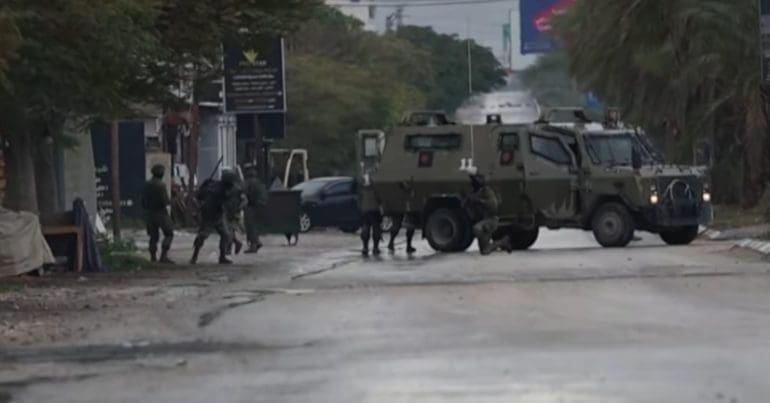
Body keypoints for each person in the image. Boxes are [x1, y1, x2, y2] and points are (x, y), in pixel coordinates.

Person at [190, 169, 237, 265]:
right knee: (203, 235)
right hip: (210, 214)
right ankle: (194, 256)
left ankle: (222, 257)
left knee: (225, 235)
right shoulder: (220, 190)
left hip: (217, 214)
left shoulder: (213, 185)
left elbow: (200, 195)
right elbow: (200, 196)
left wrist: (205, 184)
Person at [464, 173, 511, 255]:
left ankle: (502, 242)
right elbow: (469, 210)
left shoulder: (486, 191)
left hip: (491, 220)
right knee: (484, 251)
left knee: (477, 228)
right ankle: (502, 242)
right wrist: (468, 202)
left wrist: (478, 201)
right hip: (482, 221)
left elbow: (493, 206)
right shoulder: (473, 193)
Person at [142, 164, 174, 264]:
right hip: (160, 212)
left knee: (153, 236)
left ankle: (153, 257)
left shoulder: (147, 184)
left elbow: (143, 200)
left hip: (149, 213)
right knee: (169, 233)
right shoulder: (161, 185)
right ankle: (163, 256)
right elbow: (165, 201)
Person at [387, 180, 418, 255]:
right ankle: (408, 246)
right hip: (404, 206)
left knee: (397, 225)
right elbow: (409, 192)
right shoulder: (404, 182)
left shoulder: (394, 183)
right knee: (409, 226)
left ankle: (391, 243)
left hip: (396, 206)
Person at [243, 168, 268, 253]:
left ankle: (254, 244)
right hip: (262, 206)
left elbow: (244, 192)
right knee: (254, 226)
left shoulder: (249, 182)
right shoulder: (259, 183)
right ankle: (257, 242)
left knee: (250, 226)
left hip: (252, 206)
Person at [359, 173, 382, 256]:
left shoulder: (360, 189)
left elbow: (358, 200)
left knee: (365, 228)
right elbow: (380, 199)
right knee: (376, 229)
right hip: (374, 210)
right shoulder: (376, 188)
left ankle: (365, 247)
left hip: (364, 210)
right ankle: (375, 248)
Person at [224, 176, 247, 255]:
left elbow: (244, 200)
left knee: (229, 231)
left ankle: (228, 249)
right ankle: (236, 244)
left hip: (232, 212)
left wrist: (238, 208)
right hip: (229, 211)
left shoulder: (237, 190)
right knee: (229, 231)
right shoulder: (230, 188)